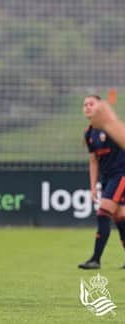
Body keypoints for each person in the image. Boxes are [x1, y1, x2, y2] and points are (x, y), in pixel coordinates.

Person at [79, 95, 125, 270]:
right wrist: (93, 187)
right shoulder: (89, 133)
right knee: (120, 218)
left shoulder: (111, 128)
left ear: (101, 107)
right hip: (107, 179)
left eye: (92, 104)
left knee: (103, 213)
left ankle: (95, 259)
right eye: (85, 105)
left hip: (121, 175)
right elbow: (93, 161)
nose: (88, 107)